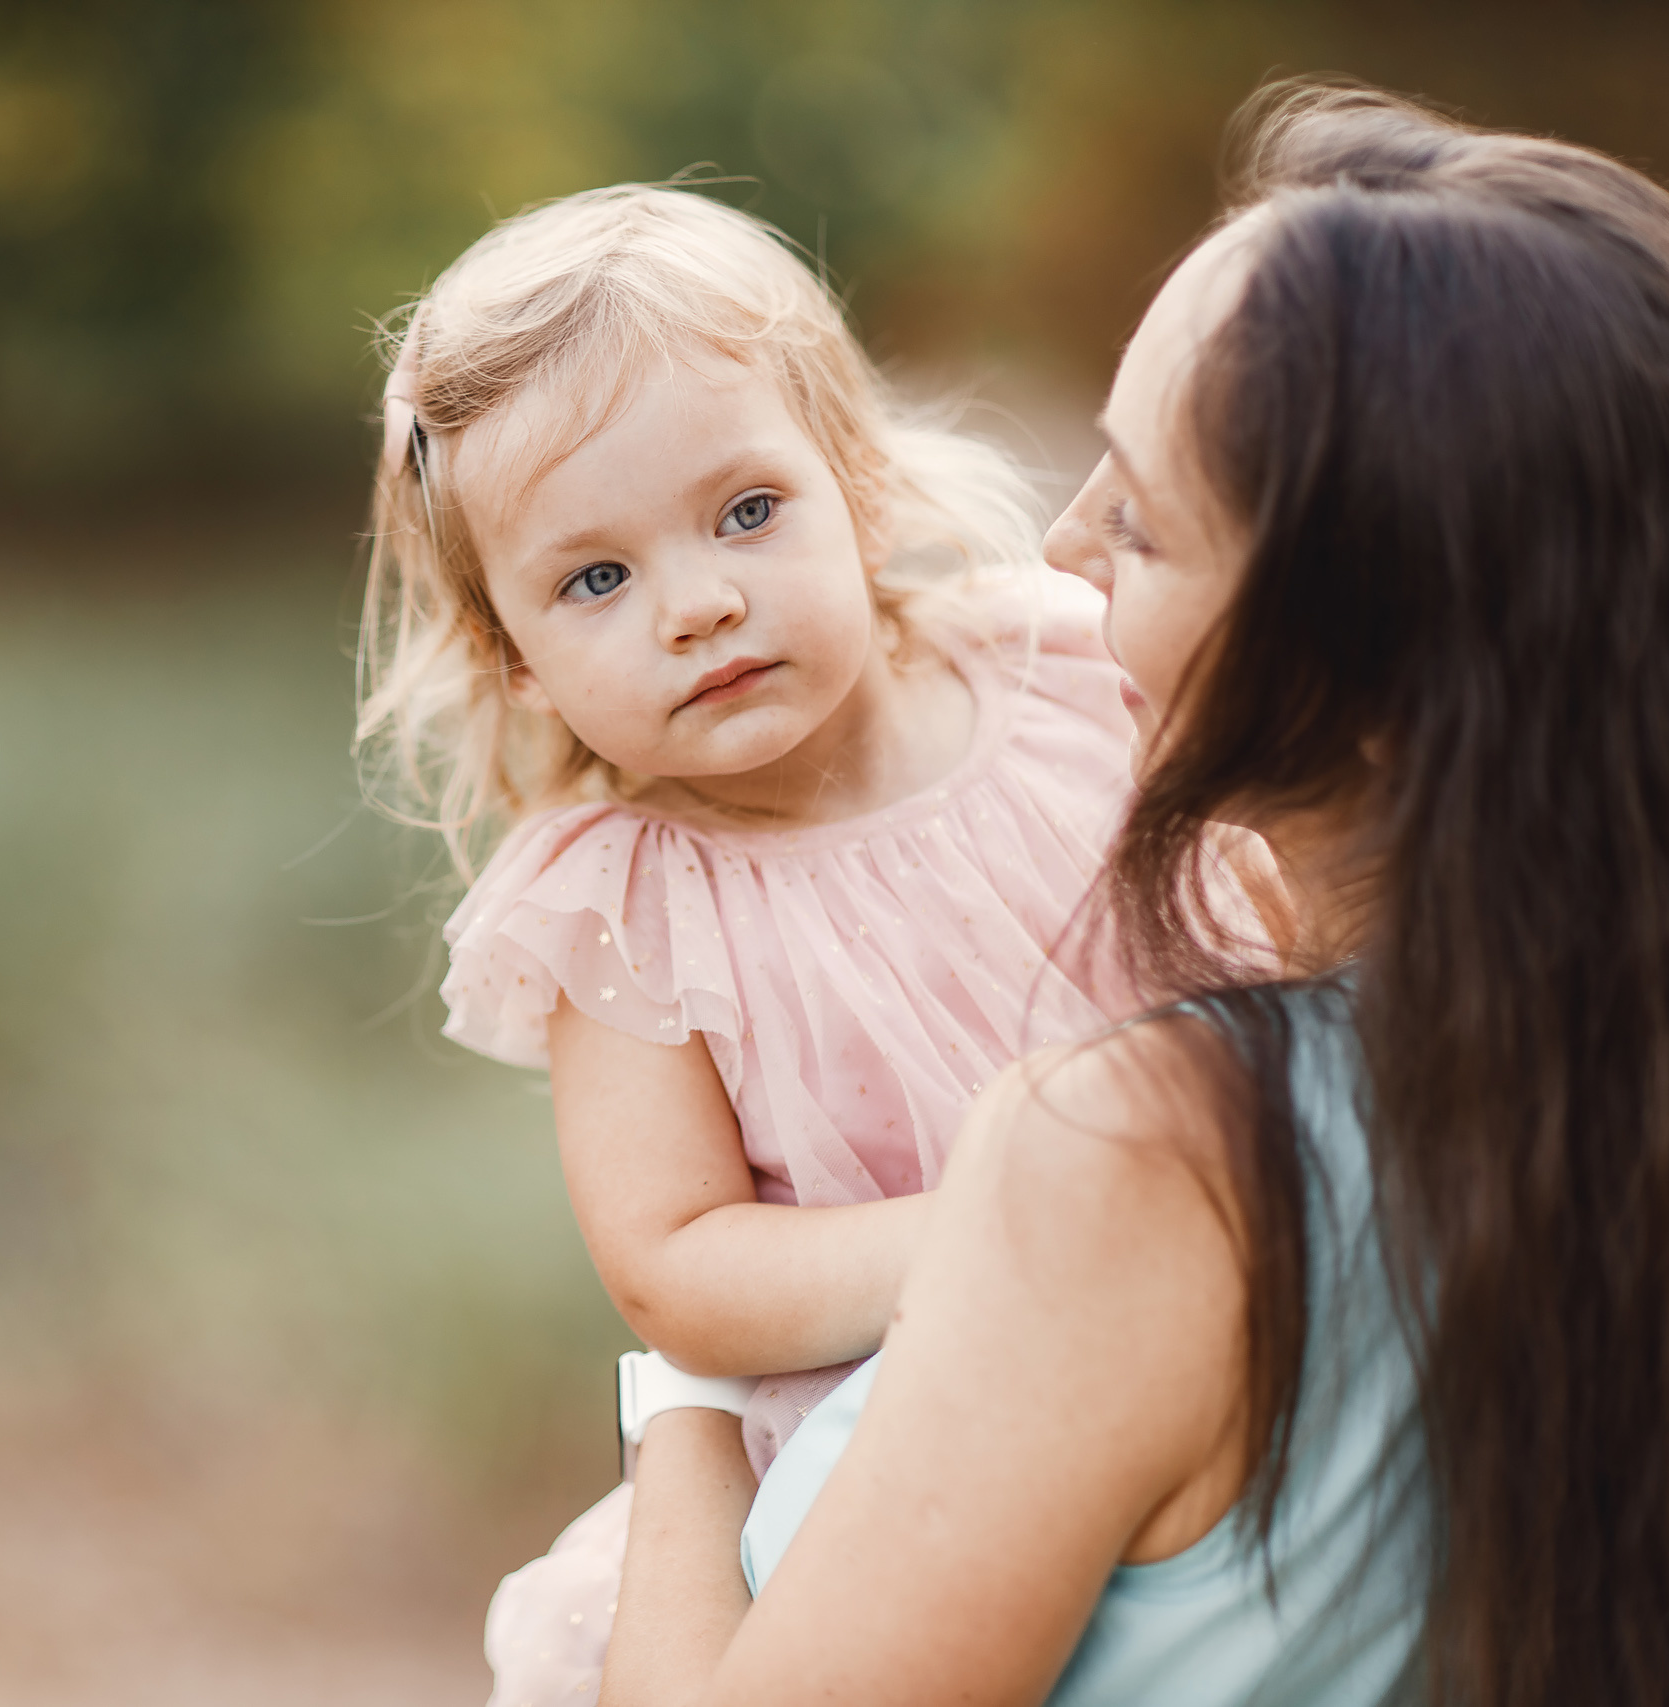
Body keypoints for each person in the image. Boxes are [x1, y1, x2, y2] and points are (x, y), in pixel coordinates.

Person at [603, 81, 1669, 1707]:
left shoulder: (1146, 1163)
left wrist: (682, 1418)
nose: (1061, 550)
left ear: (1361, 674)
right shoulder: (1637, 1071)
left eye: (1136, 519)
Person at [355, 184, 1177, 1706]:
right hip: (893, 1443)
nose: (699, 605)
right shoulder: (627, 906)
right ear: (514, 661)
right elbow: (681, 1268)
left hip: (1202, 1311)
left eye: (746, 512)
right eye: (596, 579)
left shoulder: (1059, 664)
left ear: (856, 489)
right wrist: (1009, 1222)